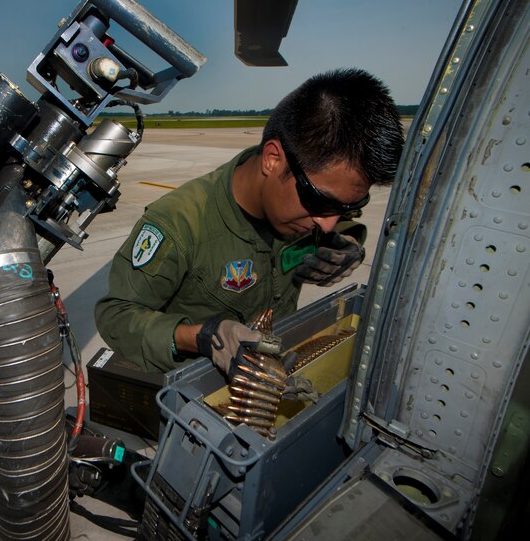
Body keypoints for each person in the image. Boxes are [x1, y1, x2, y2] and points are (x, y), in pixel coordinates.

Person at [94, 68, 404, 374]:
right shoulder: (179, 222)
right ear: (272, 159)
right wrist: (201, 337)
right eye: (321, 202)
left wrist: (349, 243)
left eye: (349, 206)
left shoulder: (305, 206)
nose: (327, 224)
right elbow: (117, 316)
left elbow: (339, 221)